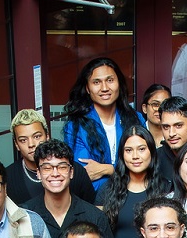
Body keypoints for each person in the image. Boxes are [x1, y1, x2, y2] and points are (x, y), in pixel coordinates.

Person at [97, 127, 177, 238]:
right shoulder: (108, 189)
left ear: (151, 152)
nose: (135, 156)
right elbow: (97, 233)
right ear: (122, 155)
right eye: (128, 150)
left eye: (141, 149)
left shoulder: (166, 188)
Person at [61, 57, 143, 191]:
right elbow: (86, 174)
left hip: (134, 197)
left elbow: (145, 165)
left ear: (119, 83)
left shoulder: (136, 118)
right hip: (96, 201)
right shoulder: (76, 126)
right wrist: (126, 171)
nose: (104, 88)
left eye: (110, 80)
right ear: (87, 88)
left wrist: (107, 169)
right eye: (96, 82)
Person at [21, 138, 114, 238]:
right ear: (38, 173)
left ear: (71, 172)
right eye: (47, 168)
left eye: (62, 167)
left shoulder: (95, 217)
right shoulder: (25, 215)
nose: (55, 173)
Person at [6, 109, 96, 204]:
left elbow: (91, 210)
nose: (31, 144)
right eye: (23, 140)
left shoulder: (75, 170)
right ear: (16, 145)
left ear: (47, 137)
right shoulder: (9, 177)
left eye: (37, 136)